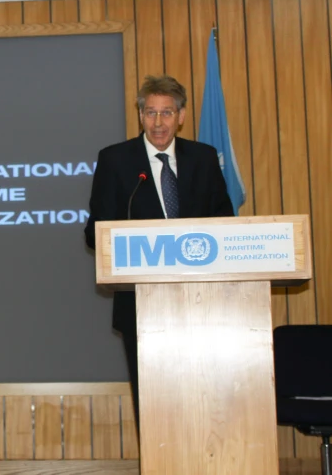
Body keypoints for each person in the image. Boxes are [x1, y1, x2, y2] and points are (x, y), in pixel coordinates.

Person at [84, 74, 234, 427]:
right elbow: (96, 232)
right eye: (150, 113)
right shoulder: (116, 160)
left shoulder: (204, 157)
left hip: (201, 299)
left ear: (181, 116)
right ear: (140, 116)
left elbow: (224, 223)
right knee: (152, 401)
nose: (158, 122)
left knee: (202, 392)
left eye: (167, 113)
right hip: (141, 302)